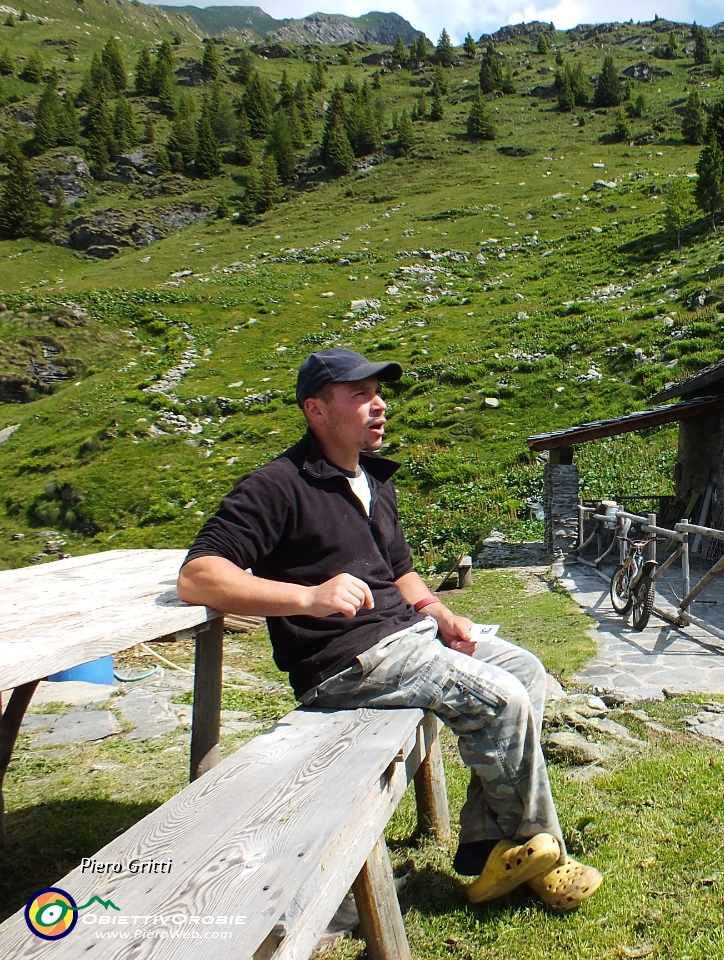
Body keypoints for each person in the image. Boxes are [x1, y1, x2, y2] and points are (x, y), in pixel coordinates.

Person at [176, 347, 602, 911]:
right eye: (361, 396)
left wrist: (441, 613)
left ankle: (485, 844)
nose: (379, 407)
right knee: (500, 698)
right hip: (348, 664)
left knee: (526, 670)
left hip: (407, 638)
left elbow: (398, 571)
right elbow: (198, 576)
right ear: (317, 411)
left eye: (380, 395)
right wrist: (308, 596)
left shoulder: (373, 480)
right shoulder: (277, 486)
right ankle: (535, 848)